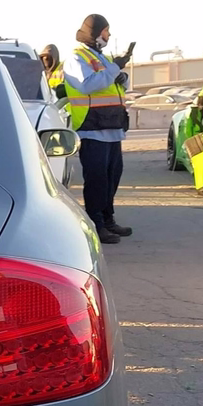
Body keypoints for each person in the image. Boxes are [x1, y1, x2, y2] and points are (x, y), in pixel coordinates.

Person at [62, 14, 134, 244]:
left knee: (112, 177)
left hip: (111, 128)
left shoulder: (102, 57)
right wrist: (114, 69)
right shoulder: (77, 58)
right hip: (92, 128)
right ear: (95, 33)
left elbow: (113, 84)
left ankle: (108, 220)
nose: (109, 35)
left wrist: (122, 76)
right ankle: (96, 225)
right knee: (97, 180)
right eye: (106, 31)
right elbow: (87, 85)